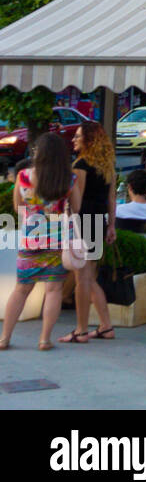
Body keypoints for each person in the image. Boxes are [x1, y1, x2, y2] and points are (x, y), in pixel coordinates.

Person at [1, 134, 81, 351]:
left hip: (31, 239)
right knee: (53, 290)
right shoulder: (69, 179)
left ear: (39, 153)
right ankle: (44, 339)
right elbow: (76, 209)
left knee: (21, 290)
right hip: (58, 240)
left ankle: (4, 337)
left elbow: (17, 207)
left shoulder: (24, 176)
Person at [67, 121, 119, 342]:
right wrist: (111, 226)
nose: (74, 140)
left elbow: (76, 201)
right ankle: (106, 326)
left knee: (82, 279)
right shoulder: (107, 166)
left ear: (88, 140)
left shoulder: (80, 164)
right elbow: (112, 199)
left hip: (81, 221)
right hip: (98, 221)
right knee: (89, 277)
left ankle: (80, 330)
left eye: (78, 137)